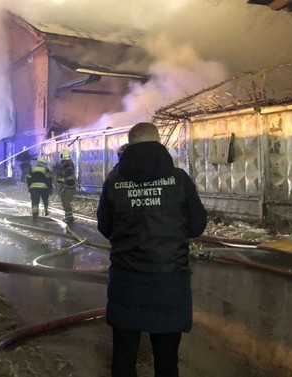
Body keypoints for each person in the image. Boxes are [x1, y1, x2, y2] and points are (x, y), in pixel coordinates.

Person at [96, 122, 207, 377]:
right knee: (167, 361)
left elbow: (104, 226)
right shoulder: (179, 180)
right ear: (159, 143)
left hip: (126, 283)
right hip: (169, 283)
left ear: (129, 145)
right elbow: (197, 225)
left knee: (124, 360)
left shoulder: (113, 182)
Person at [26, 156, 53, 222]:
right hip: (44, 188)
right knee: (45, 200)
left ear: (38, 162)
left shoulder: (32, 169)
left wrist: (29, 187)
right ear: (44, 163)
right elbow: (49, 180)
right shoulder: (45, 169)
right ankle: (46, 211)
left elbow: (28, 178)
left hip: (34, 188)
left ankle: (35, 215)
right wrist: (50, 188)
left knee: (35, 202)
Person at [56, 149, 76, 224]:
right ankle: (69, 217)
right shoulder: (69, 163)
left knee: (66, 202)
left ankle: (69, 219)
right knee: (66, 202)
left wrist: (59, 181)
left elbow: (64, 174)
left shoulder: (66, 163)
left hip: (67, 186)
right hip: (70, 186)